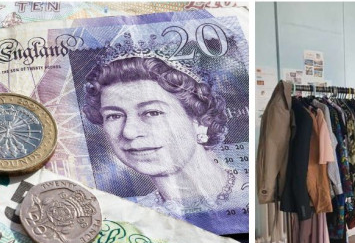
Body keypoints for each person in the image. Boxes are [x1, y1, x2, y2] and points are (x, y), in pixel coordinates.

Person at [80, 56, 243, 218]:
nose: (129, 132)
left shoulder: (251, 193)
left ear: (201, 122)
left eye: (152, 112)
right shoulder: (130, 217)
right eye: (114, 116)